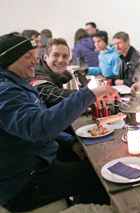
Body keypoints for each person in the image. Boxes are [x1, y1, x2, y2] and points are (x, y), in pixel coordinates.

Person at [0, 33, 120, 212]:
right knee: (103, 175)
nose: (35, 61)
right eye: (28, 57)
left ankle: (79, 202)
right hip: (24, 183)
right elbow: (40, 126)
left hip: (38, 162)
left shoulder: (16, 84)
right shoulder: (6, 91)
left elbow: (40, 121)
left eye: (35, 55)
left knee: (91, 160)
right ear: (10, 60)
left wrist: (70, 143)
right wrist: (90, 94)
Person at [30, 38, 88, 108]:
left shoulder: (61, 75)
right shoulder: (37, 76)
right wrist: (88, 95)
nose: (60, 60)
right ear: (45, 57)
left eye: (65, 56)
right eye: (55, 55)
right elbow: (54, 95)